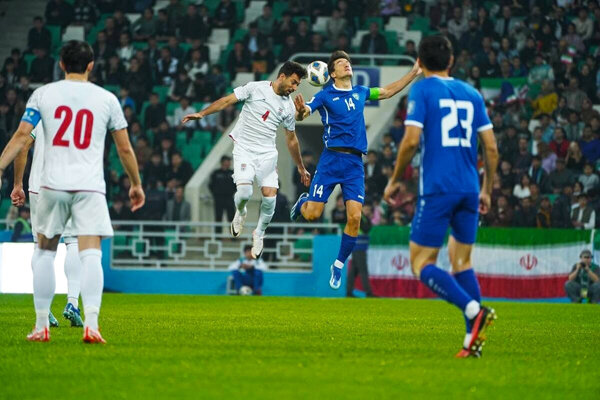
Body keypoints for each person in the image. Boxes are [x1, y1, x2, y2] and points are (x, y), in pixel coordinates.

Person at [0, 40, 145, 343]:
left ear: (62, 64)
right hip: (89, 186)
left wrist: (0, 167)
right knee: (89, 251)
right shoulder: (107, 99)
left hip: (50, 184)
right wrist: (135, 183)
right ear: (91, 65)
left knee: (44, 250)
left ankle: (41, 326)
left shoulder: (43, 95)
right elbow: (124, 148)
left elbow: (22, 136)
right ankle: (91, 324)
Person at [382, 35, 499, 358]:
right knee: (462, 260)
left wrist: (393, 180)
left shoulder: (422, 89)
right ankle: (470, 340)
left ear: (418, 62)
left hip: (438, 188)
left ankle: (474, 311)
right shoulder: (472, 93)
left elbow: (409, 141)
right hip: (470, 188)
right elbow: (490, 147)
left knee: (421, 264)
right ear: (451, 61)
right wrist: (486, 188)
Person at [291, 50, 420, 290]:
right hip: (330, 161)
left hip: (354, 165)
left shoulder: (361, 92)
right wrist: (300, 111)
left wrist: (413, 73)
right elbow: (304, 113)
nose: (346, 65)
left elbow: (387, 91)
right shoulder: (325, 95)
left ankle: (338, 265)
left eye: (347, 62)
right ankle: (302, 203)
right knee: (312, 215)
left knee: (355, 218)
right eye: (341, 63)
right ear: (331, 73)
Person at [183, 61, 311, 258]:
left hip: (267, 153)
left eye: (297, 86)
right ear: (282, 76)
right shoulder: (255, 88)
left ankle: (259, 233)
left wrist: (301, 167)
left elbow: (291, 139)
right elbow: (227, 101)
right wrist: (202, 113)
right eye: (293, 82)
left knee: (270, 198)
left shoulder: (287, 107)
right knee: (244, 192)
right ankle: (241, 212)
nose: (294, 88)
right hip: (244, 149)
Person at [10, 123, 85, 328]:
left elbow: (23, 145)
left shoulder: (41, 115)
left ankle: (43, 309)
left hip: (39, 187)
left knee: (41, 247)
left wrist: (18, 184)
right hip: (69, 186)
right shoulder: (81, 113)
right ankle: (72, 303)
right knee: (73, 242)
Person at [208, 155, 236, 234]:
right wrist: (215, 193)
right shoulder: (216, 173)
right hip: (218, 198)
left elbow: (236, 185)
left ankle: (233, 237)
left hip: (229, 198)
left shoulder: (232, 173)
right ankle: (218, 237)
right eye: (227, 161)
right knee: (218, 217)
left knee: (231, 217)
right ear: (222, 162)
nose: (229, 163)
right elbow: (211, 185)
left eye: (229, 161)